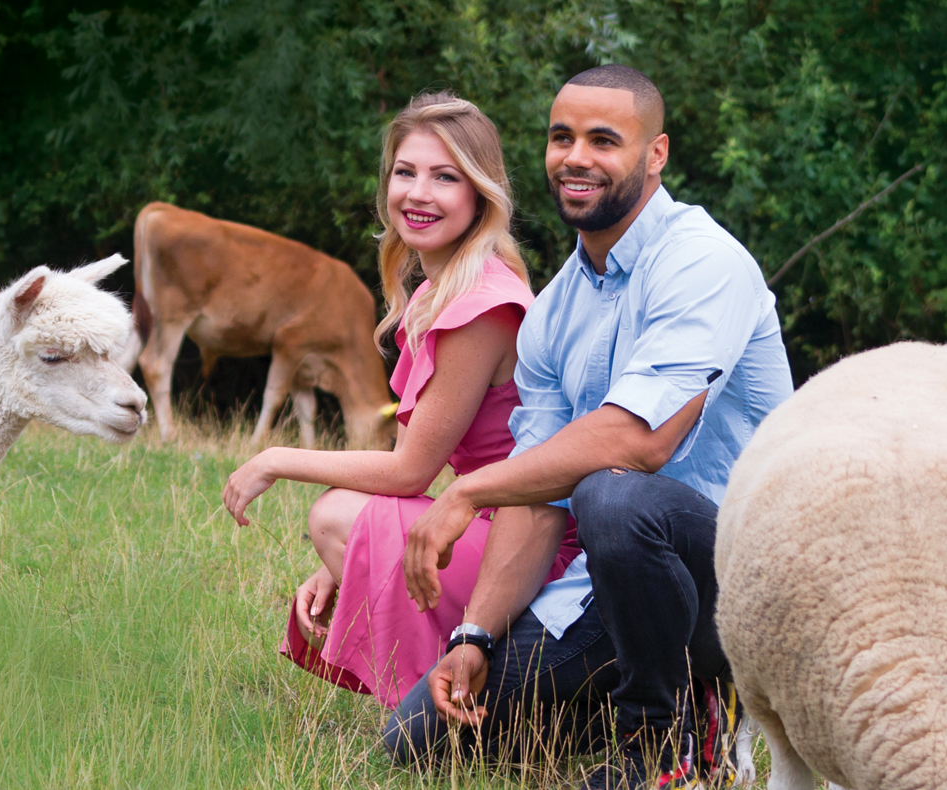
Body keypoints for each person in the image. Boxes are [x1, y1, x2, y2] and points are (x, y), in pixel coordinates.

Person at [385, 66, 794, 789]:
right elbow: (540, 487)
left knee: (613, 490)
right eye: (561, 137)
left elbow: (642, 442)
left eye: (604, 140)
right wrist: (475, 636)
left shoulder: (703, 263)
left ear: (655, 154)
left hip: (749, 576)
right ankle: (629, 706)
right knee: (416, 740)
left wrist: (466, 493)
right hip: (618, 581)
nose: (577, 157)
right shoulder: (554, 310)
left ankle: (681, 746)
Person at [221, 92, 579, 708]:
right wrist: (345, 566)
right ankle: (437, 701)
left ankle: (444, 711)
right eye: (405, 172)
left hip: (532, 549)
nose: (418, 193)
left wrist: (276, 458)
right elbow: (415, 471)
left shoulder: (482, 306)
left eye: (446, 177)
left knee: (334, 515)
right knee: (347, 526)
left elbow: (411, 472)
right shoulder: (442, 290)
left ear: (479, 194)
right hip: (485, 523)